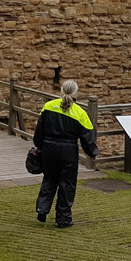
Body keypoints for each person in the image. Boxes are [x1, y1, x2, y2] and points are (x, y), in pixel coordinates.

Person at [33, 80, 98, 228]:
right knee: (67, 184)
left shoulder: (48, 106)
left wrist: (39, 145)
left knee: (49, 179)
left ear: (61, 90)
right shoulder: (79, 113)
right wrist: (92, 152)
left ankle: (42, 208)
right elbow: (87, 136)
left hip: (49, 150)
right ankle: (63, 219)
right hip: (68, 152)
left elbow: (39, 130)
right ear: (76, 92)